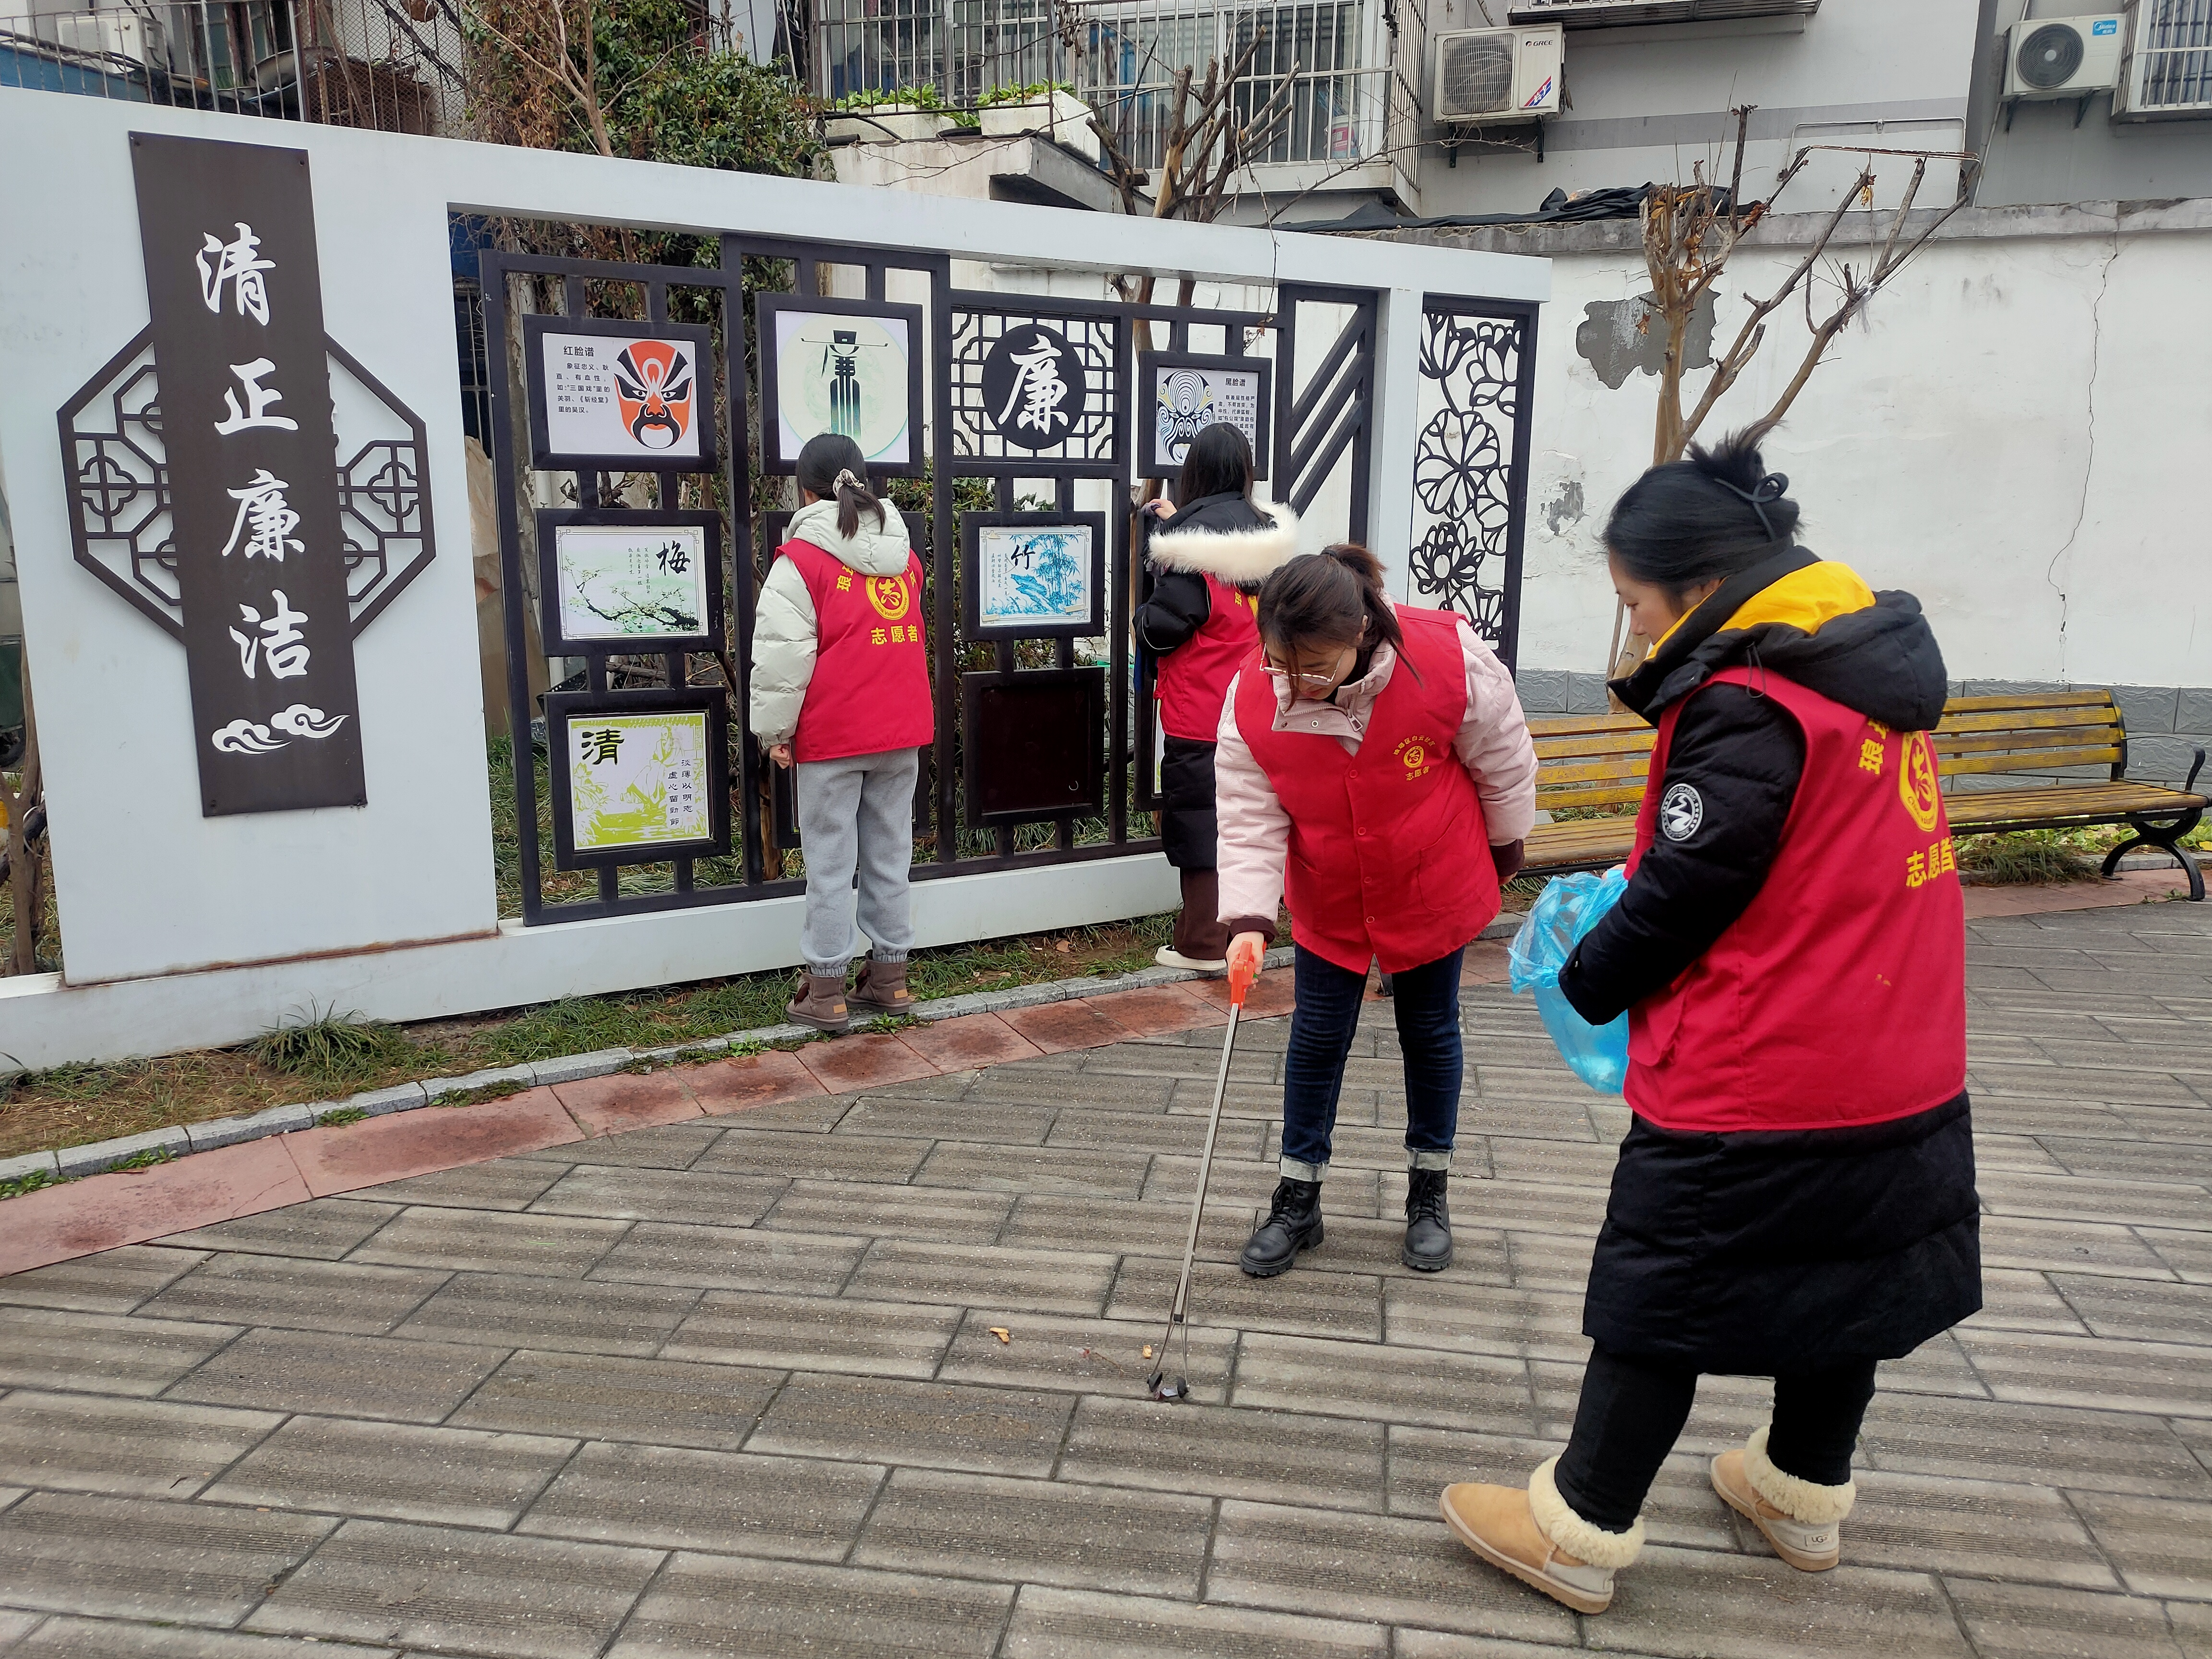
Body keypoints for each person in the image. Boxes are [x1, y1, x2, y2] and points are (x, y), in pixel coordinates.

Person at [1438, 431, 1976, 1616]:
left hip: (1765, 1065)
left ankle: (1577, 1525)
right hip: (1898, 1052)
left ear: (1695, 586)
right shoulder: (1864, 671)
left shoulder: (1750, 702)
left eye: (1633, 605)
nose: (1630, 635)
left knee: (1662, 1283)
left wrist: (1585, 974)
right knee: (1851, 1279)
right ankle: (1798, 1489)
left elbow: (1685, 888)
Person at [1215, 543, 1537, 1274]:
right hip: (1330, 889)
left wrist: (1506, 842)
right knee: (1317, 1039)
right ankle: (1298, 1200)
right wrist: (1248, 921)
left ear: (1361, 634)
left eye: (1316, 670)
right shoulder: (1252, 696)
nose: (1296, 685)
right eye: (1281, 665)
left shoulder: (1446, 657)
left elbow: (1503, 753)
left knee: (1430, 1031)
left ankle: (1429, 1193)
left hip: (1431, 875)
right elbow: (1247, 813)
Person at [749, 433, 933, 1034]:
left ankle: (824, 990)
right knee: (890, 855)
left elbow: (783, 657)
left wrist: (776, 731)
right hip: (900, 729)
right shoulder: (905, 557)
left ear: (805, 492)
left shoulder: (798, 561)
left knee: (831, 863)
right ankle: (890, 978)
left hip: (833, 734)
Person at [1134, 423, 1300, 973]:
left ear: (1195, 473)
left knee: (1200, 822)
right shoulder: (1270, 540)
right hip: (1264, 710)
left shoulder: (1190, 555)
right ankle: (1244, 930)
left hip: (1202, 717)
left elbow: (1159, 631)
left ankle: (1203, 940)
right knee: (1253, 820)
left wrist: (1152, 563)